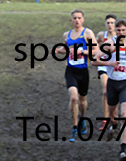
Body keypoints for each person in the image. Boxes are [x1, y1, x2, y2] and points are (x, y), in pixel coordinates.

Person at [93, 18, 126, 161]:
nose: (121, 32)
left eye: (123, 30)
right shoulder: (109, 44)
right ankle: (113, 124)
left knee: (125, 116)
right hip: (113, 84)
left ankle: (122, 151)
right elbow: (94, 61)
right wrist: (109, 63)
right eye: (118, 30)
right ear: (115, 30)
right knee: (113, 115)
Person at [53, 9, 101, 143]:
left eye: (79, 18)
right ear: (71, 20)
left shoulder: (88, 33)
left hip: (83, 71)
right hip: (71, 71)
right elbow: (65, 48)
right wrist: (58, 50)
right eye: (74, 18)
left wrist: (81, 51)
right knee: (74, 98)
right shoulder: (66, 35)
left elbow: (96, 50)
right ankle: (74, 127)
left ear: (83, 19)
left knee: (82, 101)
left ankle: (82, 119)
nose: (77, 20)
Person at [95, 14, 117, 132]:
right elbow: (95, 44)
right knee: (105, 91)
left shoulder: (119, 37)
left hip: (115, 67)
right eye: (108, 23)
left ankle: (114, 117)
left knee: (114, 92)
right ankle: (105, 119)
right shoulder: (101, 35)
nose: (110, 25)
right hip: (103, 65)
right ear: (105, 24)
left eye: (112, 23)